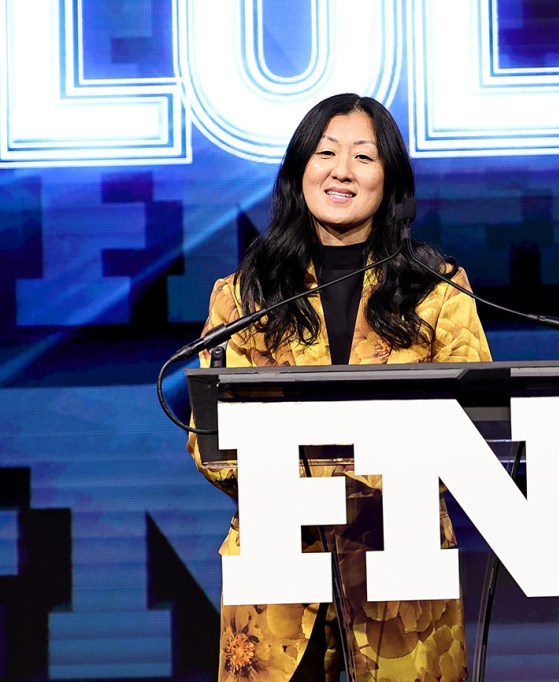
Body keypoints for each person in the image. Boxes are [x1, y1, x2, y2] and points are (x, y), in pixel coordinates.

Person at [186, 93, 490, 681]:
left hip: (402, 571)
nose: (341, 171)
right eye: (325, 153)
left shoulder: (438, 289)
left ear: (390, 179)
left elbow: (472, 426)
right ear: (300, 169)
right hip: (279, 575)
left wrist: (358, 487)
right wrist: (308, 490)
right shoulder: (243, 295)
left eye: (363, 157)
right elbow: (210, 438)